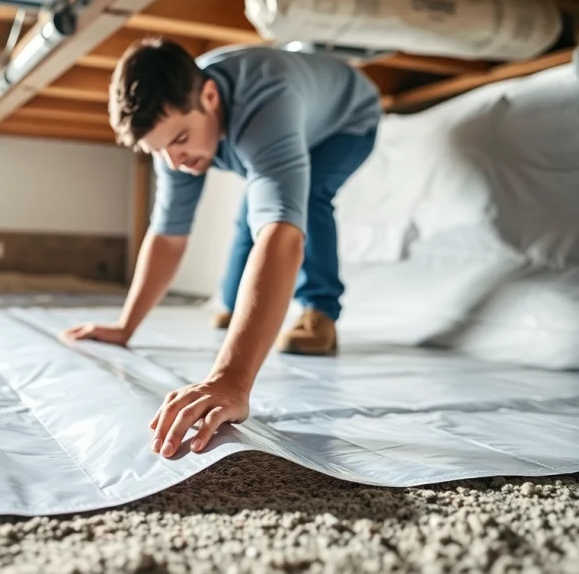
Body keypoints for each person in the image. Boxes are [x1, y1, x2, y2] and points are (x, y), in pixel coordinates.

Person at [59, 37, 381, 459]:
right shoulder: (176, 124)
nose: (175, 162)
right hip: (261, 118)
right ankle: (240, 305)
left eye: (180, 140)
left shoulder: (268, 103)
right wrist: (126, 326)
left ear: (209, 97)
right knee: (253, 213)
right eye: (160, 152)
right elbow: (168, 233)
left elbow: (282, 236)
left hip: (347, 119)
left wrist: (231, 378)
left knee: (304, 199)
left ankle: (320, 311)